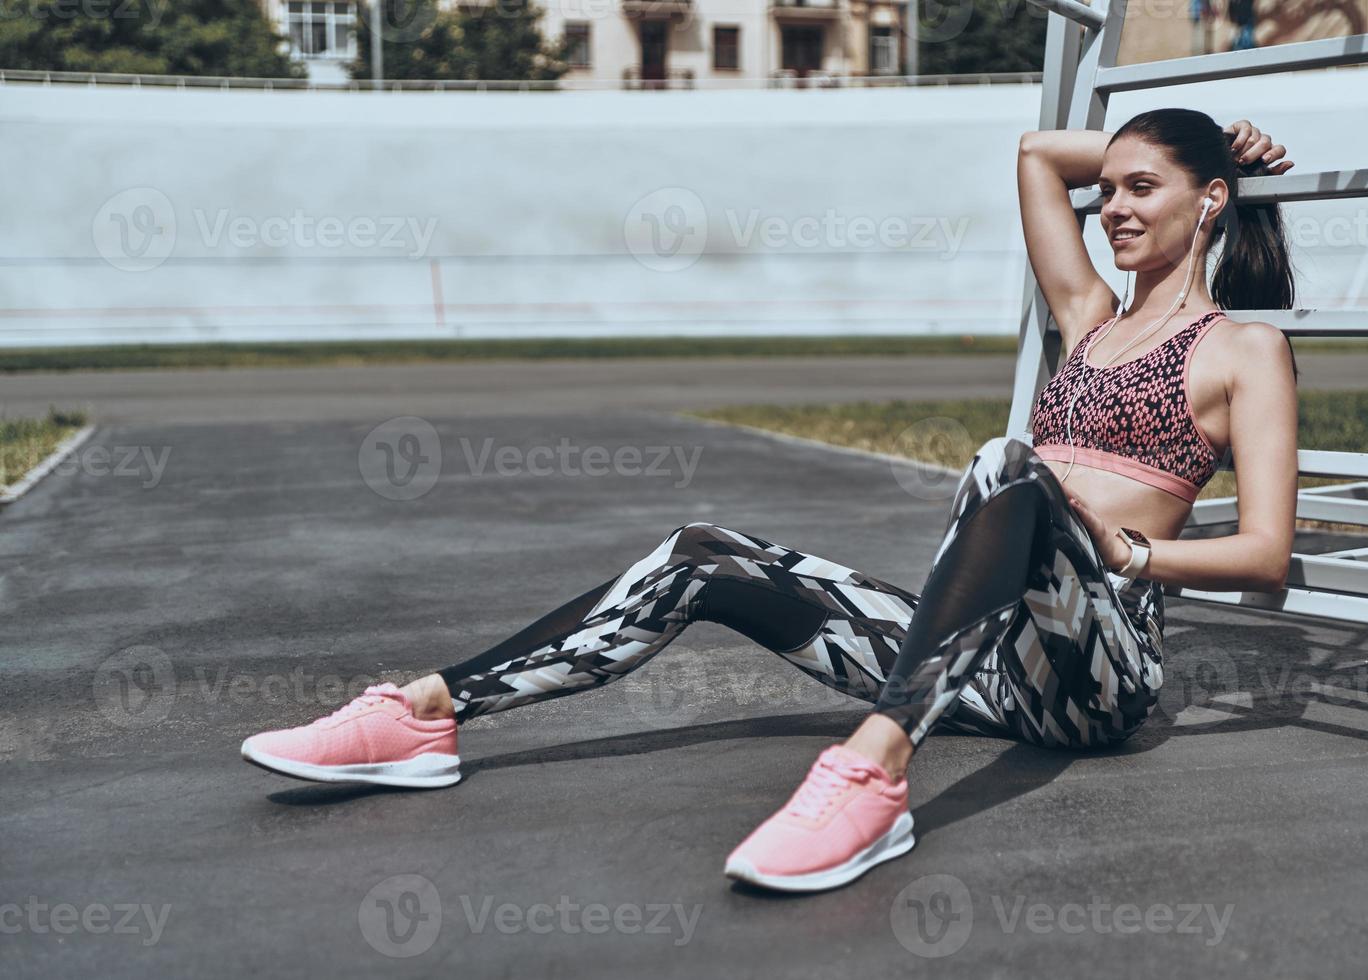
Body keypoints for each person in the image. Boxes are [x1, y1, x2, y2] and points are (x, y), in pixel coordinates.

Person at [242, 108, 1301, 893]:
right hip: (983, 665)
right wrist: (1190, 144)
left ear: (1207, 201)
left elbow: (1264, 553)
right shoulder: (1086, 314)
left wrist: (1128, 553)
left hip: (1098, 677)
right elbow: (1033, 154)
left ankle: (872, 774)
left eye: (1141, 189)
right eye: (1105, 189)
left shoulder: (1240, 349)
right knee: (705, 551)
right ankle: (426, 712)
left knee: (1004, 462)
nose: (1110, 206)